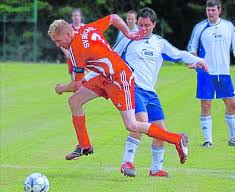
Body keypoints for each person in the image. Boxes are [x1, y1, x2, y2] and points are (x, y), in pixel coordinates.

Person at [48, 14, 196, 164]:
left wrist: (60, 88)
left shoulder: (76, 50)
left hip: (120, 79)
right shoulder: (89, 28)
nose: (58, 45)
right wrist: (128, 33)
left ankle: (177, 139)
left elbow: (76, 85)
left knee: (132, 124)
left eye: (58, 41)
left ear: (67, 34)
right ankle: (84, 145)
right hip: (104, 77)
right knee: (75, 101)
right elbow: (113, 18)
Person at [111, 7, 208, 177]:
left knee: (160, 131)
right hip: (132, 87)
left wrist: (198, 60)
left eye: (146, 25)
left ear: (154, 25)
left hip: (150, 92)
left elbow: (179, 54)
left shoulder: (159, 43)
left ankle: (155, 169)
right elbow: (108, 57)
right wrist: (88, 77)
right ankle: (127, 162)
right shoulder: (128, 39)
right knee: (140, 120)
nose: (142, 29)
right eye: (140, 25)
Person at [187, 0, 235, 147]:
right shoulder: (199, 27)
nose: (210, 13)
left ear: (219, 10)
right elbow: (192, 47)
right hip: (205, 73)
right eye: (208, 10)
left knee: (232, 104)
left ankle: (234, 138)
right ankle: (208, 141)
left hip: (224, 73)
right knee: (206, 105)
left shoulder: (228, 26)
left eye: (213, 10)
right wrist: (194, 61)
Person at [61, 8, 85, 74]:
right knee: (74, 78)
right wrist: (66, 52)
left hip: (83, 57)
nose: (76, 17)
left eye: (77, 15)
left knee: (83, 79)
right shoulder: (68, 28)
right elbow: (60, 41)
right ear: (72, 17)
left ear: (81, 17)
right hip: (71, 57)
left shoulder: (85, 28)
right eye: (74, 16)